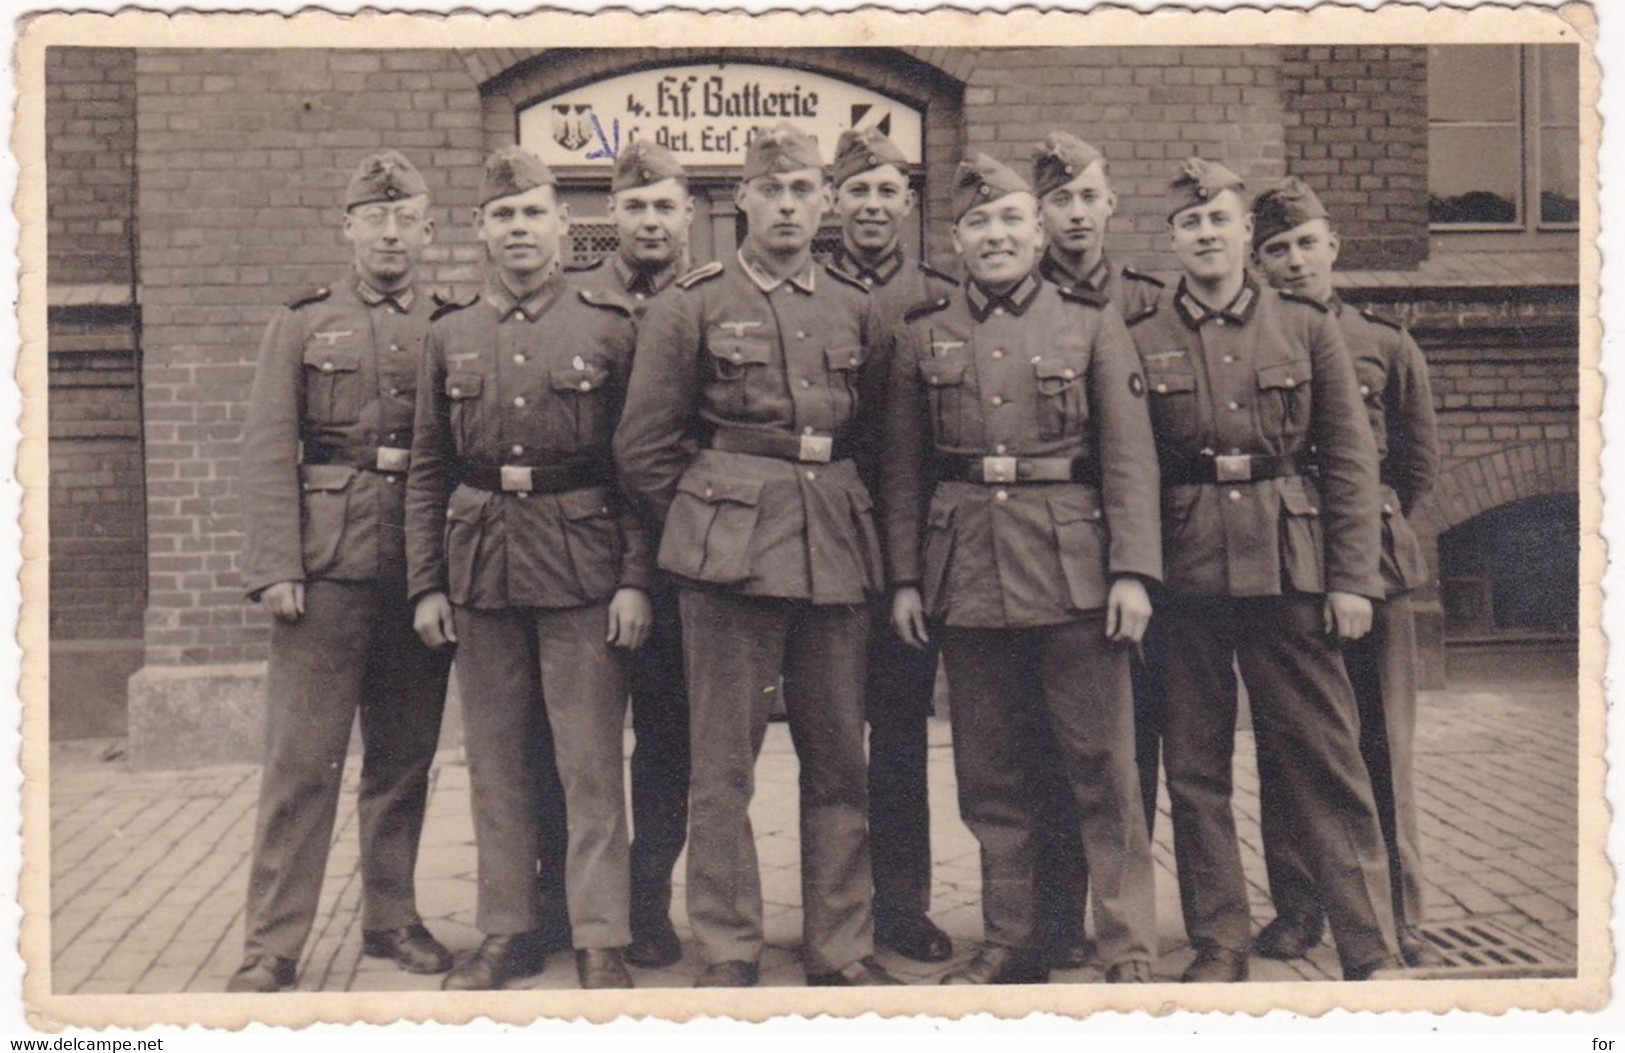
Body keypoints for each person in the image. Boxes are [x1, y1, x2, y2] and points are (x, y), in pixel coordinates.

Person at [615, 123, 900, 989]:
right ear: (740, 199)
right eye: (769, 190)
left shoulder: (855, 305)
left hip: (834, 550)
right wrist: (708, 520)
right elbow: (643, 446)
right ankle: (729, 944)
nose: (786, 206)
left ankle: (839, 944)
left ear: (823, 202)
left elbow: (880, 440)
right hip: (727, 560)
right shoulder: (691, 303)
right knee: (721, 764)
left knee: (837, 757)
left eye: (802, 190)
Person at [883, 154, 1162, 986]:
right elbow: (904, 469)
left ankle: (1125, 942)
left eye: (1010, 221)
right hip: (965, 570)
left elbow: (1127, 457)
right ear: (956, 240)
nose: (995, 236)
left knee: (1101, 767)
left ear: (1037, 233)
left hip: (1075, 570)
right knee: (991, 773)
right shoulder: (922, 333)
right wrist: (904, 579)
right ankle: (1010, 938)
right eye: (978, 224)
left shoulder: (1088, 323)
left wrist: (1132, 572)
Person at [1127, 157, 1403, 983]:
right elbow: (1129, 472)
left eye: (1218, 218)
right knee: (1196, 768)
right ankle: (1220, 939)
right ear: (1171, 238)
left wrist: (1352, 578)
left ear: (1246, 231)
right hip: (1185, 576)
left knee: (1324, 754)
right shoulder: (1139, 339)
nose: (1206, 234)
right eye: (1190, 223)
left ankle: (1367, 941)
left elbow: (1349, 462)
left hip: (1291, 570)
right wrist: (1137, 577)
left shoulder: (1305, 327)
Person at [405, 145, 651, 991]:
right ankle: (507, 929)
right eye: (502, 214)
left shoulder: (609, 326)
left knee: (589, 761)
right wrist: (426, 581)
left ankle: (598, 933)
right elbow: (427, 468)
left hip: (583, 562)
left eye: (532, 212)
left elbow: (637, 468)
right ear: (480, 229)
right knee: (498, 762)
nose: (518, 228)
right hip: (480, 568)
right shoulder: (451, 332)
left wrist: (634, 579)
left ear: (562, 226)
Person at [232, 150, 453, 993]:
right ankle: (273, 940)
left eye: (406, 219)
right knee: (302, 761)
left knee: (404, 756)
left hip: (418, 568)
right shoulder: (301, 323)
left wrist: (444, 573)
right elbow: (265, 449)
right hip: (322, 571)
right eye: (375, 218)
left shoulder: (450, 321)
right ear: (349, 229)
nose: (390, 232)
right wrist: (275, 565)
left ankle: (391, 918)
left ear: (429, 232)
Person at [1249, 176, 1443, 968]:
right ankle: (1298, 908)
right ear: (1257, 263)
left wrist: (1361, 548)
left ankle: (1399, 914)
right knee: (1290, 742)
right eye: (1274, 250)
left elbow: (1417, 466)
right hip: (1287, 565)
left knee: (1378, 742)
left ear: (1332, 246)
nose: (1292, 262)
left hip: (1374, 572)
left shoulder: (1386, 345)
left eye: (1303, 244)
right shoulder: (1256, 340)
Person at [1028, 130, 1167, 971]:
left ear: (1111, 204)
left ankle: (1130, 923)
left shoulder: (1150, 301)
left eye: (1088, 197)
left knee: (1131, 748)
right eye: (1060, 201)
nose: (1076, 214)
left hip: (1158, 552)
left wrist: (1139, 563)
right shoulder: (1025, 300)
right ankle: (1054, 920)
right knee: (1062, 748)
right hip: (1065, 557)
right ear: (1038, 216)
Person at [822, 126, 956, 966]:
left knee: (901, 728)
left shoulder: (940, 296)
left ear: (908, 205)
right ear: (835, 204)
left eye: (886, 193)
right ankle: (830, 905)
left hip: (913, 542)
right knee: (829, 735)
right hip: (826, 537)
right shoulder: (815, 288)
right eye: (857, 192)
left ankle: (902, 904)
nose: (872, 207)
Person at [564, 139, 697, 971]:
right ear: (611, 214)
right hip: (587, 558)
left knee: (669, 743)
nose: (650, 221)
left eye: (664, 206)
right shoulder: (577, 307)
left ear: (687, 215)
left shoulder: (709, 300)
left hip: (682, 565)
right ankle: (569, 904)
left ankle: (647, 900)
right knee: (578, 744)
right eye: (635, 205)